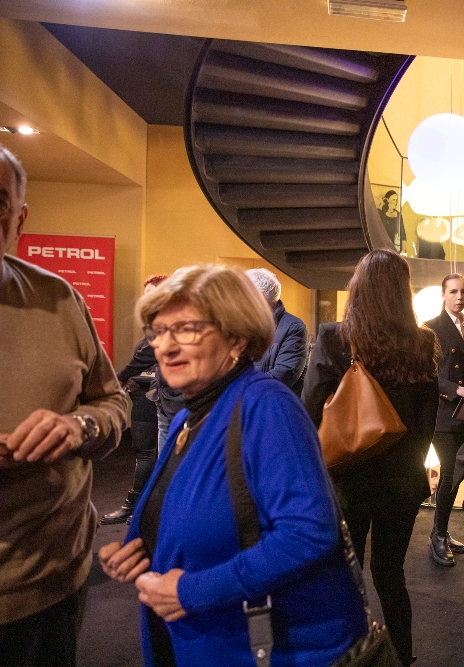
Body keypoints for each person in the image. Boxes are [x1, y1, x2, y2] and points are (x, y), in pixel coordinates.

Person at [97, 264, 368, 666]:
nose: (164, 347)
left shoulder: (267, 406)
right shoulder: (186, 419)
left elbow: (309, 533)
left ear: (237, 338)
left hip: (271, 650)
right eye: (158, 332)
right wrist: (139, 549)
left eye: (185, 330)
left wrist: (193, 591)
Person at [0, 146, 129, 666]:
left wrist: (80, 426)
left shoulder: (59, 298)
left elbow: (112, 401)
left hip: (54, 583)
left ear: (19, 218)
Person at [302, 249, 438, 664]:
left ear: (358, 289)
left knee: (346, 574)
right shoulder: (422, 342)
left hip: (348, 478)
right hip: (402, 482)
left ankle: (349, 655)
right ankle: (403, 657)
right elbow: (426, 424)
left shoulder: (334, 338)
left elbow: (311, 407)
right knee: (391, 575)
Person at [422, 273, 464, 567]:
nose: (460, 297)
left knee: (456, 475)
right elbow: (425, 373)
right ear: (443, 295)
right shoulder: (430, 328)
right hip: (444, 414)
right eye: (453, 292)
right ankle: (438, 535)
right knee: (449, 475)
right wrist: (454, 389)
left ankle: (442, 532)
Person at [102, 273, 171, 525]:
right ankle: (140, 509)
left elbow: (147, 358)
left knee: (157, 457)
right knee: (146, 454)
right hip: (145, 396)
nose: (145, 299)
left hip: (163, 400)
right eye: (145, 294)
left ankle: (141, 510)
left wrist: (119, 378)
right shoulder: (154, 325)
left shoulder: (170, 323)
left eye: (151, 294)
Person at [246, 267, 308, 395]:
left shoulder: (293, 327)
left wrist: (240, 388)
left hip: (270, 402)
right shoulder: (241, 323)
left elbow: (284, 374)